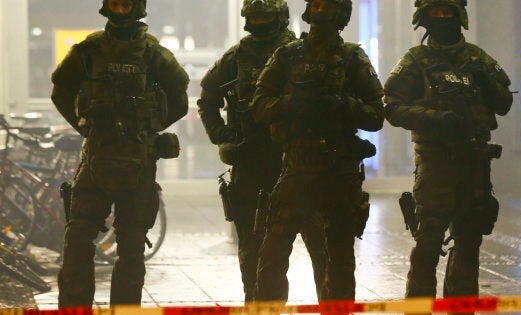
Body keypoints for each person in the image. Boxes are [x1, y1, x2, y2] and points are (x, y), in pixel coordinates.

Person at [51, 0, 189, 307]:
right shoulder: (88, 51)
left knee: (131, 249)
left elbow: (180, 98)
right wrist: (85, 127)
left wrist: (148, 129)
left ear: (138, 8)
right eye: (115, 3)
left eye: (126, 5)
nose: (121, 10)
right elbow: (61, 89)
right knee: (76, 243)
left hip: (138, 164)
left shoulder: (154, 54)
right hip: (96, 160)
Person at [383, 0, 513, 313]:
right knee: (427, 244)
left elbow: (504, 103)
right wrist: (432, 118)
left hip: (474, 166)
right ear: (423, 18)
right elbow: (390, 105)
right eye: (435, 13)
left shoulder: (477, 58)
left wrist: (484, 79)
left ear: (459, 16)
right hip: (435, 165)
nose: (442, 18)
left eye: (447, 13)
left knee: (468, 244)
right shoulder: (416, 60)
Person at [251, 0, 384, 302]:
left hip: (339, 174)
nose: (322, 12)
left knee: (338, 261)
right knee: (271, 255)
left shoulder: (353, 58)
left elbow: (376, 115)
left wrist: (341, 104)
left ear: (342, 14)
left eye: (329, 6)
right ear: (310, 10)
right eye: (318, 5)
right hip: (297, 169)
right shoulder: (287, 55)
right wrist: (289, 105)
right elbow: (259, 106)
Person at [197, 0, 327, 302]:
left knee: (322, 248)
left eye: (265, 16)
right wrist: (223, 136)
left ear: (280, 17)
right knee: (255, 253)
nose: (259, 22)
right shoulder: (237, 57)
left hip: (301, 164)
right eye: (254, 17)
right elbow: (207, 98)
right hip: (252, 165)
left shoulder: (303, 53)